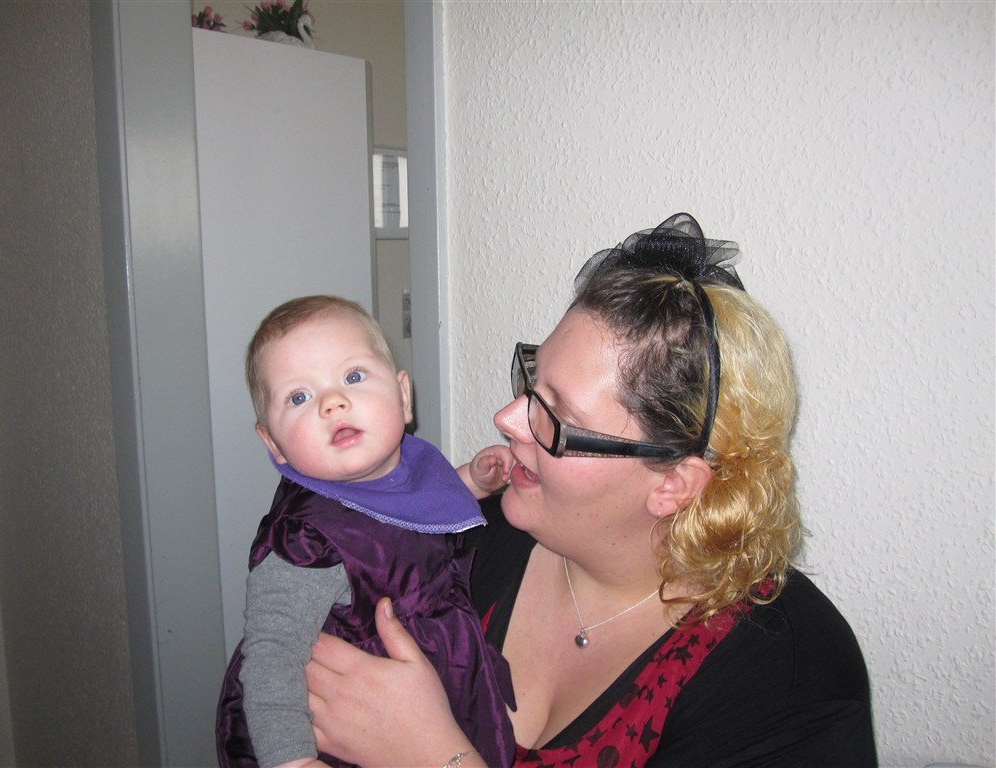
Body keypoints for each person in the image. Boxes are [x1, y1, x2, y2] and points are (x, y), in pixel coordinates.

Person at [303, 214, 878, 767]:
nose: (507, 418)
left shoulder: (786, 676)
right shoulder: (462, 539)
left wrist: (433, 757)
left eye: (557, 418)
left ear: (673, 484)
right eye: (532, 382)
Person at [215, 296, 517, 768]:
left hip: (431, 695)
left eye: (353, 377)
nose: (332, 402)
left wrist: (469, 483)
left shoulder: (405, 466)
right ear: (273, 443)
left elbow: (414, 511)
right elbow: (272, 656)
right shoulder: (305, 542)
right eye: (299, 397)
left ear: (403, 396)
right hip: (340, 729)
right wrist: (292, 759)